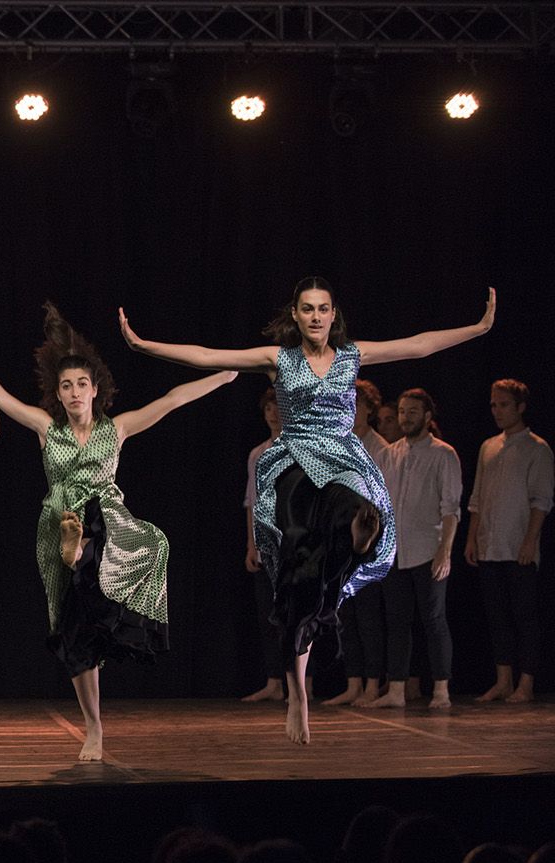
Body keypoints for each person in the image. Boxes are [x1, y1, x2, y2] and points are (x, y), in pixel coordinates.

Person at [119, 279, 494, 742]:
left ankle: (354, 533)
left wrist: (477, 329)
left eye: (323, 309)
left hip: (342, 460)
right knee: (300, 585)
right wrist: (142, 344)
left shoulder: (353, 355)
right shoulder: (279, 359)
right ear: (295, 315)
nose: (316, 317)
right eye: (307, 309)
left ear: (333, 315)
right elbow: (207, 354)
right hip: (295, 463)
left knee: (356, 506)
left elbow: (418, 346)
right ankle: (298, 693)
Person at [0, 304, 235, 761]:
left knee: (154, 542)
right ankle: (93, 725)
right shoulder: (45, 428)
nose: (74, 392)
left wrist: (224, 373)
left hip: (107, 522)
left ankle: (82, 554)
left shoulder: (116, 429)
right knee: (73, 628)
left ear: (96, 390)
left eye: (81, 384)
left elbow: (173, 399)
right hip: (57, 522)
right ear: (57, 394)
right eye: (66, 386)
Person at [365, 388, 460, 709]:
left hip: (428, 550)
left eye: (412, 412)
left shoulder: (443, 454)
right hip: (394, 552)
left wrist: (445, 551)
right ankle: (395, 690)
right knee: (397, 622)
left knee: (433, 620)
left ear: (427, 417)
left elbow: (451, 509)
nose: (405, 418)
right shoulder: (389, 454)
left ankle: (441, 690)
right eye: (402, 411)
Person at [465, 378, 552, 703]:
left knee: (524, 617)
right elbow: (477, 497)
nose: (497, 411)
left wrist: (530, 542)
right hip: (490, 545)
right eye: (493, 405)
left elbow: (541, 500)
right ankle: (503, 680)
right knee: (497, 616)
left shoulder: (537, 448)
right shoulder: (489, 446)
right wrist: (472, 538)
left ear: (520, 407)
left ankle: (525, 684)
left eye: (503, 405)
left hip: (519, 548)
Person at [324, 379, 389, 706]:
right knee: (345, 615)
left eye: (355, 404)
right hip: (341, 539)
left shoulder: (379, 447)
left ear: (368, 409)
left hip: (368, 540)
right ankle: (353, 683)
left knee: (368, 616)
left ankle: (372, 685)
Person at [243, 387, 287, 702]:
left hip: (294, 543)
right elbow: (252, 502)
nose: (273, 413)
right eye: (268, 407)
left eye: (278, 406)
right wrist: (251, 545)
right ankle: (274, 681)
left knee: (296, 615)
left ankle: (304, 682)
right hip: (265, 543)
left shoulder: (300, 448)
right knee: (268, 615)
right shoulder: (258, 453)